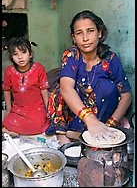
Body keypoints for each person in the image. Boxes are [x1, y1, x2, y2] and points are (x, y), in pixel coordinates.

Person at [45, 10, 132, 145]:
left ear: (100, 33)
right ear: (73, 37)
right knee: (61, 89)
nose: (85, 38)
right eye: (79, 33)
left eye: (90, 31)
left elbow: (126, 95)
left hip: (102, 115)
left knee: (107, 87)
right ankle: (75, 132)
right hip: (76, 112)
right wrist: (90, 119)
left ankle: (97, 130)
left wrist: (110, 125)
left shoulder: (111, 59)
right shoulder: (71, 55)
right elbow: (67, 89)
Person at [2, 37, 50, 136]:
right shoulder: (9, 71)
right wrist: (8, 109)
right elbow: (6, 90)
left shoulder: (38, 68)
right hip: (18, 109)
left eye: (23, 52)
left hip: (36, 108)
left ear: (30, 54)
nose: (20, 57)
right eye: (15, 54)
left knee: (39, 125)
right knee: (8, 123)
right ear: (11, 57)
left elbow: (44, 89)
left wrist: (48, 109)